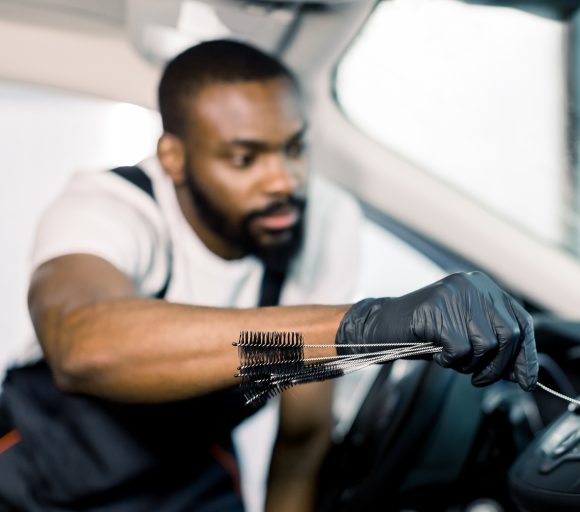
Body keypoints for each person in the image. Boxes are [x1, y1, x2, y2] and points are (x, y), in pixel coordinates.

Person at [0, 39, 538, 511]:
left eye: (294, 148)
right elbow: (83, 345)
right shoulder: (110, 206)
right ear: (174, 158)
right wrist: (370, 326)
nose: (284, 180)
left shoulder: (322, 219)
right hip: (34, 470)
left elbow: (302, 437)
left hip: (188, 479)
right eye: (245, 159)